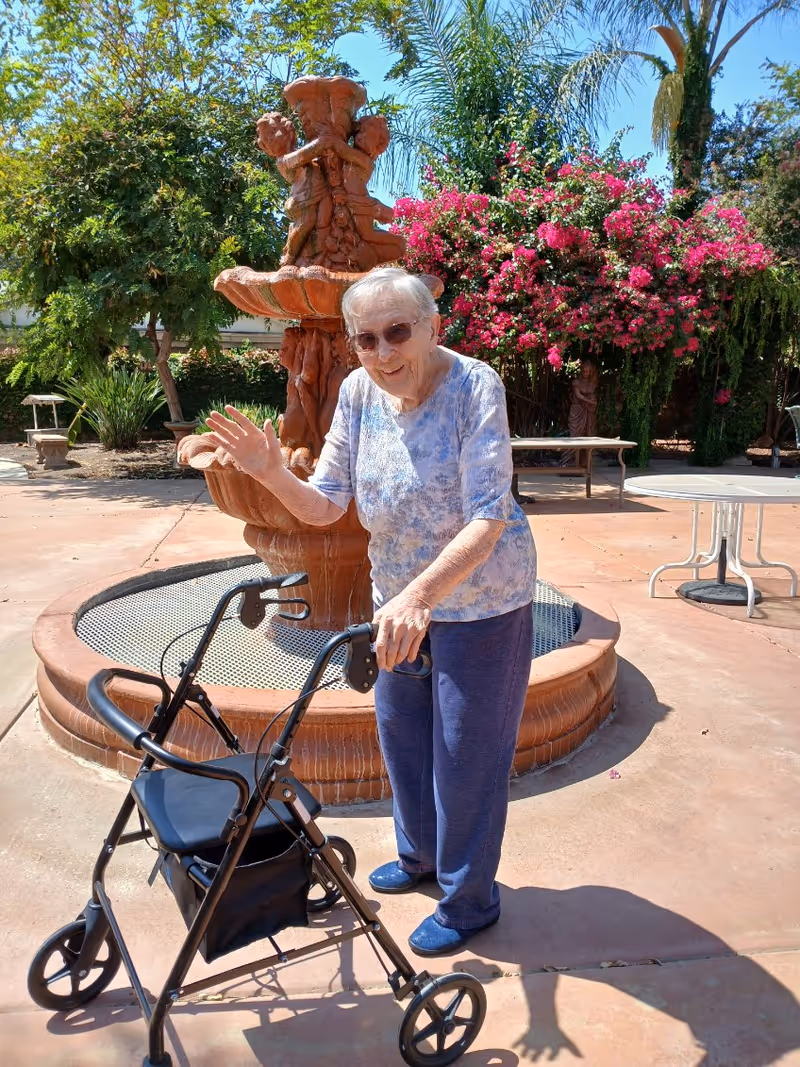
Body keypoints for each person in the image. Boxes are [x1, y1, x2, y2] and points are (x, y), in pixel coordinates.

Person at [199, 267, 537, 957]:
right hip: (397, 607)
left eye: (397, 332)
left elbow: (488, 516)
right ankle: (418, 858)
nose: (382, 353)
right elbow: (325, 505)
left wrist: (420, 594)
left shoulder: (475, 385)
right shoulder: (357, 392)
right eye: (366, 339)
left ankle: (470, 897)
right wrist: (270, 471)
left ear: (432, 325)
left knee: (465, 757)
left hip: (481, 603)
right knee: (403, 737)